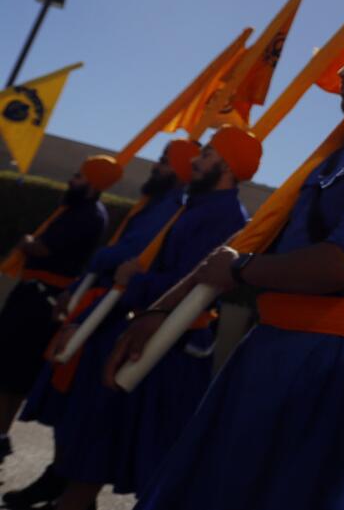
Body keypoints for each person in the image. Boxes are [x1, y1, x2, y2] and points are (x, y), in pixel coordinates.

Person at [112, 18, 344, 510]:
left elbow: (342, 265)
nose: (343, 71)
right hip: (274, 350)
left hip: (330, 369)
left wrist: (240, 271)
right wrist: (165, 309)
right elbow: (277, 246)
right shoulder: (343, 155)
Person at [47, 128, 258, 510]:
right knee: (90, 458)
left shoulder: (225, 216)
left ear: (227, 166)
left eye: (207, 154)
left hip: (170, 354)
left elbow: (191, 285)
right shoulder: (193, 206)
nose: (195, 159)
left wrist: (136, 281)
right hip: (141, 340)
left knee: (155, 472)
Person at [2, 140, 194, 510]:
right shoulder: (152, 204)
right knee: (68, 405)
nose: (156, 167)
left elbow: (128, 254)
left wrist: (104, 261)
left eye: (165, 162)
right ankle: (60, 479)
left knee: (87, 414)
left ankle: (73, 492)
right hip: (95, 305)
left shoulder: (172, 209)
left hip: (113, 315)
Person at [0, 156, 118, 463]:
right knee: (10, 374)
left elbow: (43, 249)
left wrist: (27, 242)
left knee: (12, 372)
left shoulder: (87, 215)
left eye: (78, 177)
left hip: (40, 302)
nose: (71, 181)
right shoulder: (78, 210)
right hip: (33, 296)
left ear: (92, 183)